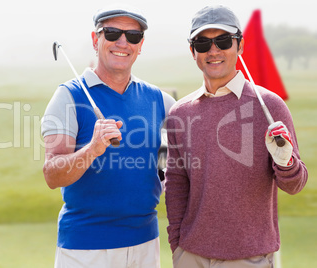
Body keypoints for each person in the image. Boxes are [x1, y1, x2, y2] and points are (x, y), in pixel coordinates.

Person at [164, 5, 308, 268]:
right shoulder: (179, 113)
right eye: (203, 43)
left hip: (250, 257)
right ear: (192, 50)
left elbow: (295, 185)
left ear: (239, 46)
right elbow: (176, 184)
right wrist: (177, 247)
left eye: (223, 41)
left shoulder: (270, 106)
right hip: (191, 256)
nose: (214, 50)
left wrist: (286, 163)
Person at [41, 4, 175, 268]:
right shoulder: (68, 97)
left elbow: (178, 161)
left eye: (133, 36)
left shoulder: (160, 99)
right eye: (112, 33)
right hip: (85, 248)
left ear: (140, 44)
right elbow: (52, 174)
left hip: (146, 244)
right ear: (96, 39)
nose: (122, 42)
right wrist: (92, 148)